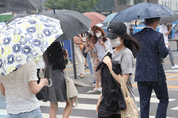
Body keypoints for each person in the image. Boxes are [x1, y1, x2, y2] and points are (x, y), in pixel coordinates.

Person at [96, 21, 140, 118]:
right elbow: (108, 81)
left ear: (122, 37)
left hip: (122, 104)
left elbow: (123, 81)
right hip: (110, 103)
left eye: (114, 37)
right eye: (110, 37)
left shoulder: (126, 53)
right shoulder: (110, 53)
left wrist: (109, 64)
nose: (111, 39)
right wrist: (101, 97)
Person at [133, 17, 169, 118]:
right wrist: (167, 47)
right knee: (163, 99)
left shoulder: (136, 36)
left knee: (144, 103)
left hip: (141, 75)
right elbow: (164, 53)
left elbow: (134, 54)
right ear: (156, 22)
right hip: (156, 74)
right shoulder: (158, 36)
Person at [43, 42, 73, 118]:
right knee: (70, 102)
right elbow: (62, 65)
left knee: (53, 106)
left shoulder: (44, 43)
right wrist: (65, 56)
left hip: (48, 73)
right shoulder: (56, 44)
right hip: (56, 74)